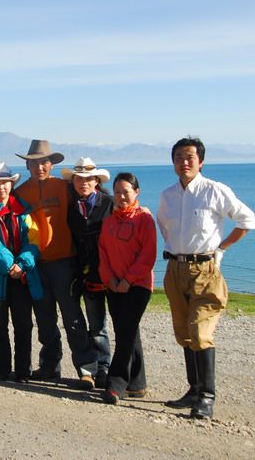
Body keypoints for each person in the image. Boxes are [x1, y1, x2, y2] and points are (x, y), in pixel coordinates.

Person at [157, 137, 255, 419]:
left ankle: (207, 396)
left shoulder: (215, 190)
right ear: (173, 162)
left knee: (201, 332)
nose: (184, 162)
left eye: (189, 157)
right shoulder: (168, 195)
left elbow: (247, 220)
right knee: (184, 333)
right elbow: (163, 223)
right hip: (175, 269)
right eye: (178, 157)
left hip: (205, 271)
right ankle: (193, 389)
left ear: (200, 161)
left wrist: (221, 248)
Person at [15, 140, 98, 388]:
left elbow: (92, 198)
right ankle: (50, 366)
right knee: (45, 318)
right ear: (28, 165)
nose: (40, 167)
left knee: (73, 318)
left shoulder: (65, 187)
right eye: (35, 163)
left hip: (65, 263)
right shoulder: (20, 193)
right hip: (36, 265)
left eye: (45, 162)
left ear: (51, 164)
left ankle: (87, 370)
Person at [0, 162, 43, 383]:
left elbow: (33, 240)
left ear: (11, 184)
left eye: (5, 183)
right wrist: (9, 266)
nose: (1, 187)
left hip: (22, 276)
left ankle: (23, 371)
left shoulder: (24, 211)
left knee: (23, 325)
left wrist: (22, 264)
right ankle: (2, 369)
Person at [97, 172, 156, 404]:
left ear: (136, 193)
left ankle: (116, 384)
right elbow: (103, 252)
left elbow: (147, 254)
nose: (121, 196)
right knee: (129, 332)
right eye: (118, 192)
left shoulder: (144, 219)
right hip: (113, 285)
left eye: (126, 192)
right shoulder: (109, 221)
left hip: (138, 285)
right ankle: (137, 384)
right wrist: (109, 279)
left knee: (125, 332)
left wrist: (128, 280)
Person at [61, 157, 113, 389]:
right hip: (75, 271)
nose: (84, 183)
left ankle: (104, 368)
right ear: (73, 181)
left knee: (97, 324)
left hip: (101, 272)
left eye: (88, 179)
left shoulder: (109, 203)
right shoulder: (70, 206)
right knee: (75, 323)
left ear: (96, 181)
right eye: (79, 179)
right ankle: (87, 370)